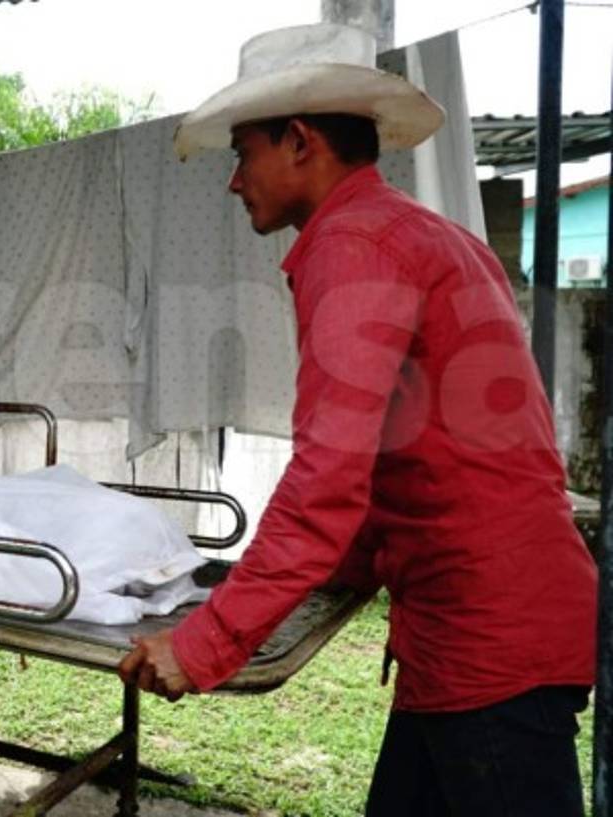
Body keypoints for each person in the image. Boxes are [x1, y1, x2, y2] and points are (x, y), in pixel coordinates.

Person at [119, 23, 596, 816]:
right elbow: (419, 448)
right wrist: (335, 567)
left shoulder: (353, 244)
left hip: (487, 641)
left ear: (299, 141)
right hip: (478, 629)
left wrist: (205, 643)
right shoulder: (429, 234)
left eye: (243, 152)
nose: (234, 181)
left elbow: (327, 477)